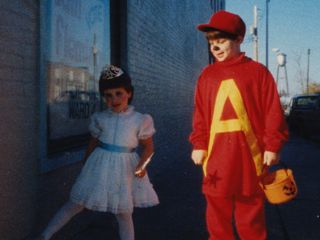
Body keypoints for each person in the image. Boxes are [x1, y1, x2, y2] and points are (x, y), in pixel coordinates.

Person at [189, 10, 288, 240]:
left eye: (221, 41)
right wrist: (199, 143)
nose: (215, 47)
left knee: (250, 214)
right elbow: (201, 115)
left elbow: (273, 111)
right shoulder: (207, 76)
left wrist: (273, 145)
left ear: (239, 39)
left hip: (249, 159)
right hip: (216, 158)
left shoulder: (258, 73)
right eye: (212, 42)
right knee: (217, 216)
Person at [36, 65, 159, 240]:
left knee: (123, 214)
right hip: (99, 168)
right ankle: (44, 235)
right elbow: (92, 144)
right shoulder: (100, 119)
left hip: (124, 171)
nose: (114, 99)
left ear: (129, 93)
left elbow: (149, 148)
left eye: (119, 93)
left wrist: (142, 165)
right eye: (108, 95)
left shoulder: (140, 120)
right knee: (75, 204)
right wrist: (85, 168)